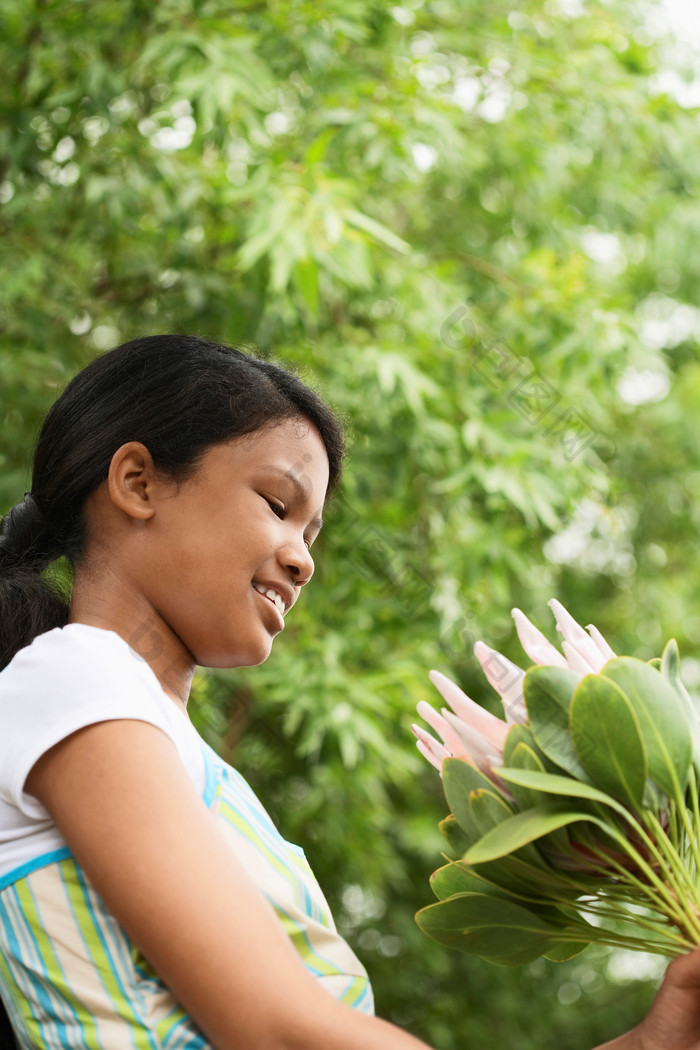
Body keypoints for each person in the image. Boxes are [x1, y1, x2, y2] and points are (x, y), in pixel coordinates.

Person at [0, 333, 698, 1050]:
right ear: (138, 483)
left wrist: (653, 1043)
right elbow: (277, 1030)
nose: (302, 560)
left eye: (313, 531)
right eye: (278, 504)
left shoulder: (171, 750)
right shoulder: (72, 677)